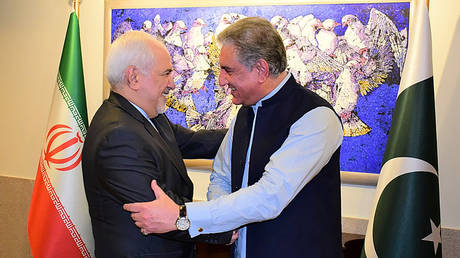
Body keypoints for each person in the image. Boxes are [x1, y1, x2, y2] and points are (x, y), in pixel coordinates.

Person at [124, 17, 344, 258]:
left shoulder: (316, 117)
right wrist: (224, 225)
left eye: (228, 70)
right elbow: (222, 176)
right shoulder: (245, 113)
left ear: (261, 69)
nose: (221, 80)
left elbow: (269, 196)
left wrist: (183, 216)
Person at [82, 30, 234, 258]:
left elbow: (194, 142)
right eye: (166, 73)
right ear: (134, 78)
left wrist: (249, 132)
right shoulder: (117, 135)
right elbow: (158, 212)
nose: (173, 83)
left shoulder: (148, 117)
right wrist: (223, 229)